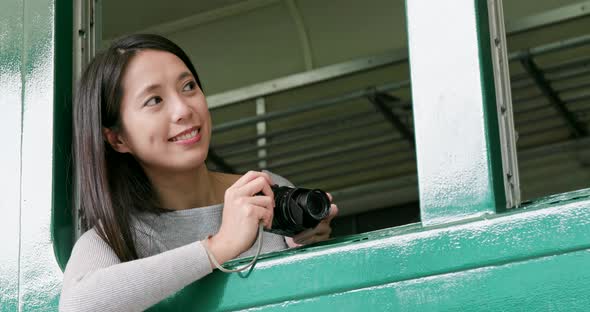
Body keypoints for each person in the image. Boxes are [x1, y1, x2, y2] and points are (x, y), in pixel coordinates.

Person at [59, 34, 338, 311]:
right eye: (154, 100)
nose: (183, 109)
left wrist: (305, 247)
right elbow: (78, 306)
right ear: (118, 139)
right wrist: (218, 247)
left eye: (188, 86)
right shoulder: (116, 236)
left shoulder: (265, 189)